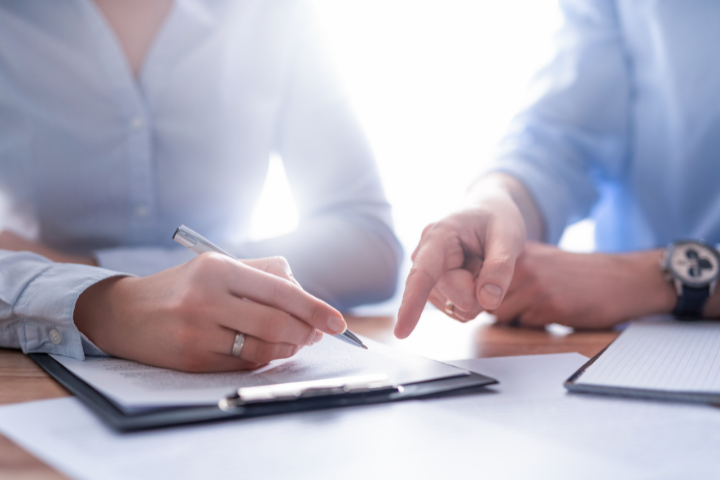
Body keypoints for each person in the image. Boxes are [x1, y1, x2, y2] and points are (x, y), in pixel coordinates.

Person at [0, 0, 402, 371]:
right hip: (38, 367)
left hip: (233, 362)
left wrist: (90, 273)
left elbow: (369, 242)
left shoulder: (274, 12)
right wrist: (108, 306)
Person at [396, 0, 720, 338]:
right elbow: (562, 138)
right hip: (632, 335)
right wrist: (498, 202)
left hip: (631, 310)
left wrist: (653, 279)